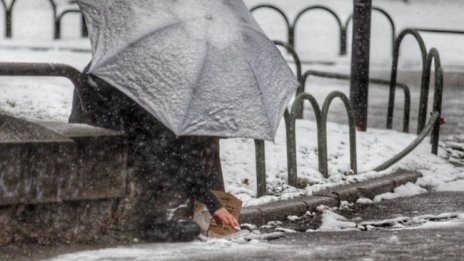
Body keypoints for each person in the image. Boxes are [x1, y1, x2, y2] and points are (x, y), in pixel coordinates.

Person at [70, 64, 239, 241]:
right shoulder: (140, 84)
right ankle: (166, 223)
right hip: (123, 151)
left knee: (186, 142)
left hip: (97, 144)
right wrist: (213, 204)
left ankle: (212, 214)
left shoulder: (105, 65)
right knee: (194, 142)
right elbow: (166, 152)